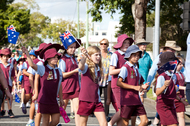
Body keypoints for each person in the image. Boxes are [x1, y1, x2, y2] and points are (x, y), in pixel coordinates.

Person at [22, 44, 64, 126]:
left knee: (56, 121)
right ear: (47, 59)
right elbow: (32, 65)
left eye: (57, 57)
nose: (56, 59)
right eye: (54, 57)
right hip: (44, 100)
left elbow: (60, 85)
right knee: (45, 121)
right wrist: (27, 54)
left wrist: (61, 98)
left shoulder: (59, 70)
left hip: (54, 100)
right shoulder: (43, 68)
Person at [117, 45, 149, 126]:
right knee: (125, 123)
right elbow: (119, 83)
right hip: (127, 100)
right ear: (128, 55)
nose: (137, 57)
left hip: (137, 99)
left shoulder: (136, 68)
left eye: (138, 55)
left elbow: (140, 83)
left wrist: (143, 86)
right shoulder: (125, 67)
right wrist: (134, 87)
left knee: (145, 121)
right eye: (134, 55)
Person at [77, 46, 107, 126]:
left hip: (97, 100)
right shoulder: (86, 67)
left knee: (104, 123)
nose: (98, 57)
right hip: (85, 100)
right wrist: (84, 56)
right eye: (96, 55)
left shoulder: (98, 68)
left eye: (99, 55)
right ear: (89, 56)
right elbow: (80, 66)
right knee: (83, 124)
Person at [155, 52, 187, 126]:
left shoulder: (174, 76)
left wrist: (180, 99)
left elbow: (172, 92)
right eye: (174, 62)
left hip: (171, 105)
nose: (176, 64)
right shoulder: (162, 76)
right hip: (163, 105)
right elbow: (157, 92)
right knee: (173, 124)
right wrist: (164, 86)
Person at [109, 34, 134, 126]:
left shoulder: (130, 56)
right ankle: (109, 123)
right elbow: (111, 71)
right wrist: (125, 68)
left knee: (124, 112)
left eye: (128, 43)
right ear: (120, 44)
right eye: (125, 43)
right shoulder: (115, 55)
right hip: (117, 84)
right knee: (123, 108)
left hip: (126, 85)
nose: (127, 45)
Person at [58, 39, 81, 126]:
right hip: (65, 87)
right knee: (61, 109)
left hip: (76, 86)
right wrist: (74, 71)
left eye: (74, 47)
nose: (73, 49)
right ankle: (57, 122)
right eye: (71, 47)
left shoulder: (75, 58)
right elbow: (62, 75)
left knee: (77, 108)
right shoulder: (62, 59)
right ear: (66, 48)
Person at [99, 38, 112, 119]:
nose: (103, 45)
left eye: (105, 44)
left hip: (108, 79)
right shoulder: (97, 54)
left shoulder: (111, 55)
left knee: (107, 97)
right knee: (97, 96)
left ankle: (106, 114)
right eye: (101, 44)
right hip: (98, 78)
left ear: (107, 45)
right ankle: (95, 111)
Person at [0, 49, 15, 118]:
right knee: (1, 97)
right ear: (1, 57)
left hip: (8, 83)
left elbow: (12, 75)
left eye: (7, 56)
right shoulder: (0, 65)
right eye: (4, 56)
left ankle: (10, 110)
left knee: (9, 97)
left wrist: (14, 82)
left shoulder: (10, 65)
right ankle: (2, 110)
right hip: (0, 84)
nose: (5, 58)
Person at [174, 56, 188, 126]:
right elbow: (175, 86)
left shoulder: (181, 74)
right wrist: (184, 88)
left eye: (182, 64)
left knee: (181, 115)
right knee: (172, 118)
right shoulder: (172, 74)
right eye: (179, 64)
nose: (182, 65)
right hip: (174, 98)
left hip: (181, 98)